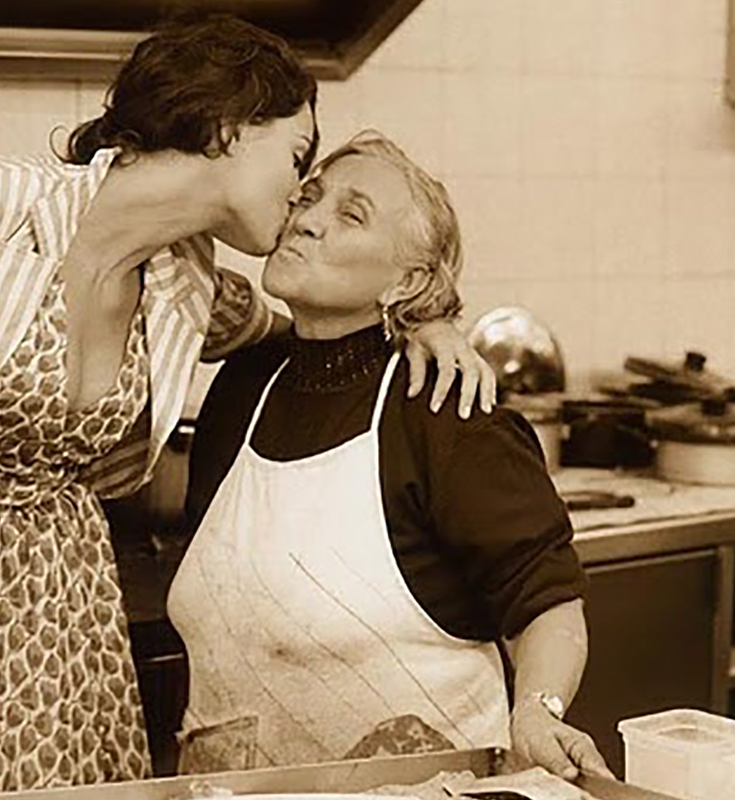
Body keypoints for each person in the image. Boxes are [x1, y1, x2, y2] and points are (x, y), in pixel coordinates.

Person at [0, 18, 494, 800]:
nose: (298, 193)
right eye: (296, 160)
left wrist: (426, 317)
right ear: (227, 131)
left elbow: (316, 324)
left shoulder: (187, 277)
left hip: (69, 600)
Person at [172, 131, 610, 779]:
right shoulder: (242, 388)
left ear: (407, 280)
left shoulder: (443, 406)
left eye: (351, 215)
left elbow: (546, 602)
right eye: (309, 199)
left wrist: (539, 710)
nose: (308, 222)